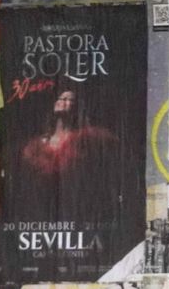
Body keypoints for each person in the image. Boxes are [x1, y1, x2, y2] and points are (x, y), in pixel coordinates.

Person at [16, 87, 123, 226]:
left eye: (69, 99)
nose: (62, 101)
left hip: (80, 209)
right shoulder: (36, 145)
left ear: (78, 107)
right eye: (60, 98)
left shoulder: (92, 137)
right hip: (43, 210)